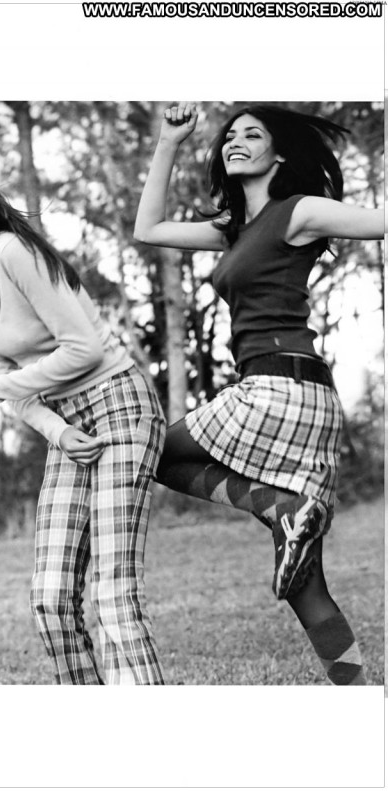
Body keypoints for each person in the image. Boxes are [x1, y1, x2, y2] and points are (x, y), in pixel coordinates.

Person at [0, 141, 166, 685]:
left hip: (119, 401)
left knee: (113, 594)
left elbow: (83, 349)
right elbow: (8, 381)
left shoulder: (15, 252)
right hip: (67, 426)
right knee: (51, 599)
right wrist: (56, 430)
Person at [134, 103, 383, 685]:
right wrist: (169, 141)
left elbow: (380, 221)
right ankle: (362, 699)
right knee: (305, 588)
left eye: (253, 134)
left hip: (278, 388)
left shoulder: (299, 211)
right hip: (298, 393)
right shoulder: (235, 228)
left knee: (150, 451)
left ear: (280, 153)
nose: (236, 141)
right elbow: (148, 230)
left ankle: (276, 505)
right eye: (230, 135)